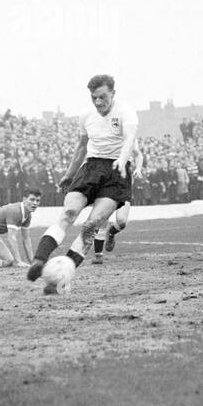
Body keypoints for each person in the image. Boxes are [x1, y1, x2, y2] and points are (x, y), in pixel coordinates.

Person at [26, 74, 137, 291]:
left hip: (117, 172)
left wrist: (123, 160)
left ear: (113, 93)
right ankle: (39, 261)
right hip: (92, 167)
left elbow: (130, 140)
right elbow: (81, 147)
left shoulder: (126, 112)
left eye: (102, 97)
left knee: (90, 226)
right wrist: (69, 174)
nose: (98, 103)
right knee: (68, 213)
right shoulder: (86, 115)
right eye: (94, 98)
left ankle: (60, 278)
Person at [92, 143, 145, 261]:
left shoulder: (128, 135)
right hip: (106, 181)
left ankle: (111, 233)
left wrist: (138, 168)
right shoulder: (104, 137)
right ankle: (98, 254)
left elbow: (138, 154)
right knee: (102, 218)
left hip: (123, 185)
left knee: (122, 221)